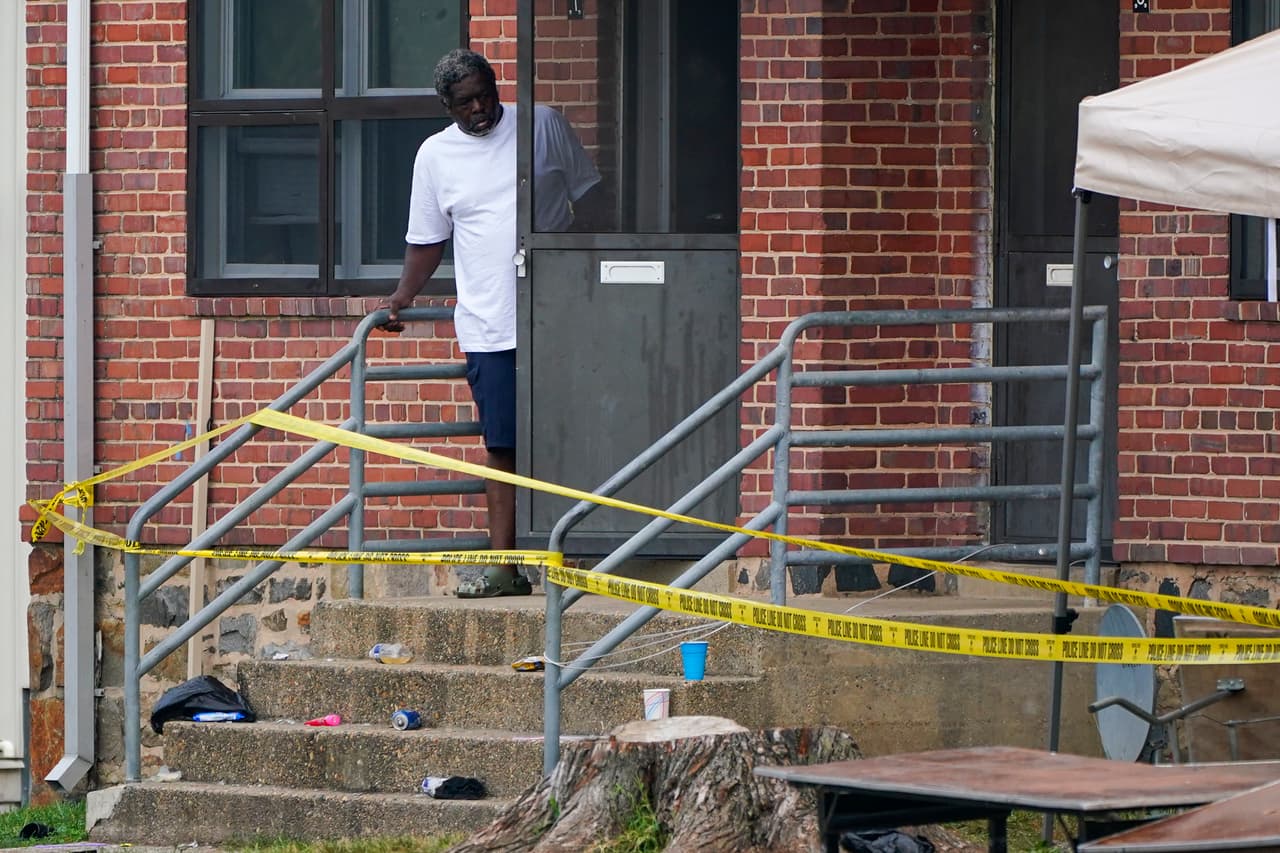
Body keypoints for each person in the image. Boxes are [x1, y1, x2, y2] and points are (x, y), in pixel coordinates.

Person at [380, 48, 601, 598]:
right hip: (491, 322)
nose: (480, 108)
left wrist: (588, 273)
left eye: (486, 94)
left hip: (564, 317)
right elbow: (427, 240)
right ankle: (505, 567)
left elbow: (595, 201)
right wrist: (401, 297)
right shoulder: (435, 155)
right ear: (446, 106)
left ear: (496, 85)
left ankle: (594, 555)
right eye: (465, 103)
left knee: (578, 434)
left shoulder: (543, 125)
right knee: (503, 444)